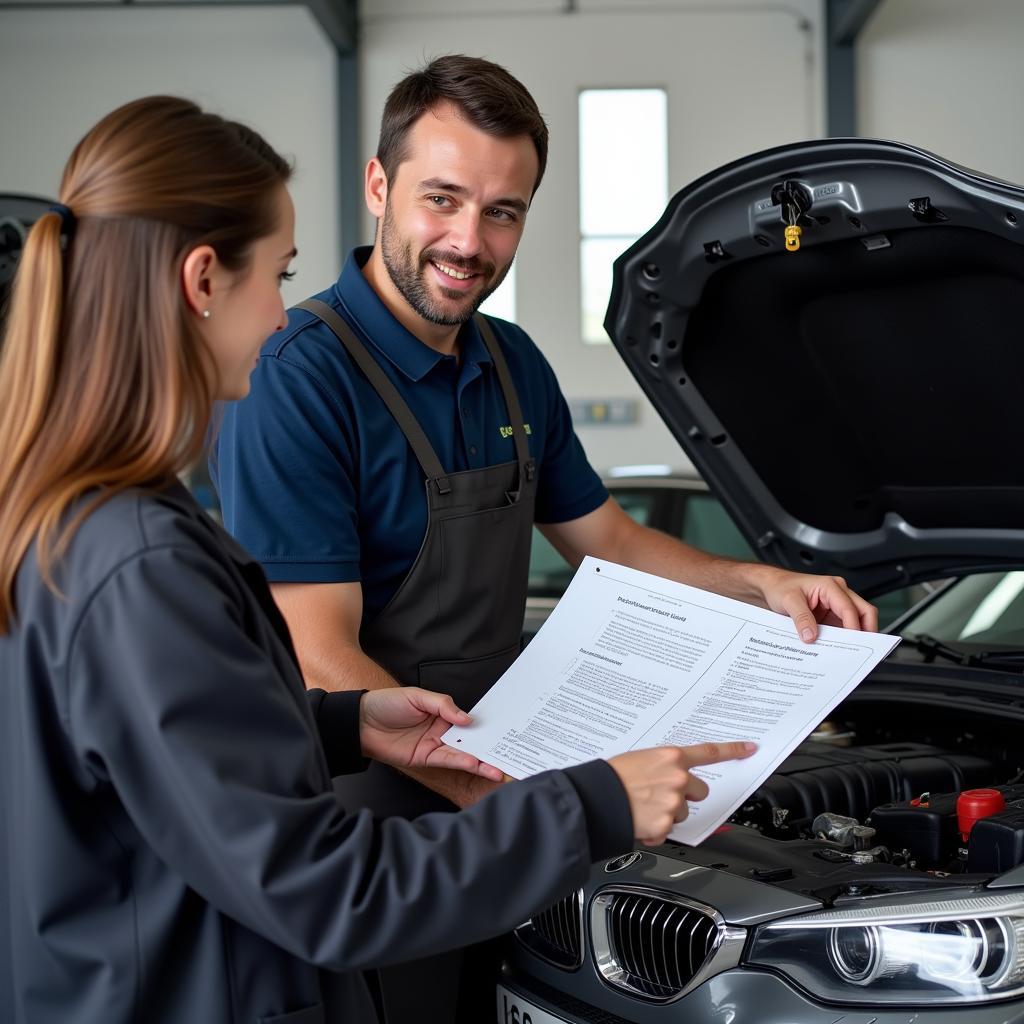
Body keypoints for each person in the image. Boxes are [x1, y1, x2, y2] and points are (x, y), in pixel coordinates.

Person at [0, 95, 758, 1024]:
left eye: (503, 210)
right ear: (204, 280)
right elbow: (326, 890)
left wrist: (343, 720)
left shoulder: (81, 517)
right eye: (276, 275)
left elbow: (158, 744)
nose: (280, 315)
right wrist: (590, 803)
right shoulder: (144, 558)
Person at [215, 53, 878, 1021]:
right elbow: (321, 658)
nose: (467, 240)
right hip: (384, 826)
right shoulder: (299, 374)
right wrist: (521, 806)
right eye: (441, 199)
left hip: (510, 790)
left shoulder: (512, 360)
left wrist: (760, 582)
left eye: (503, 210)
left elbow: (607, 538)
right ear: (377, 185)